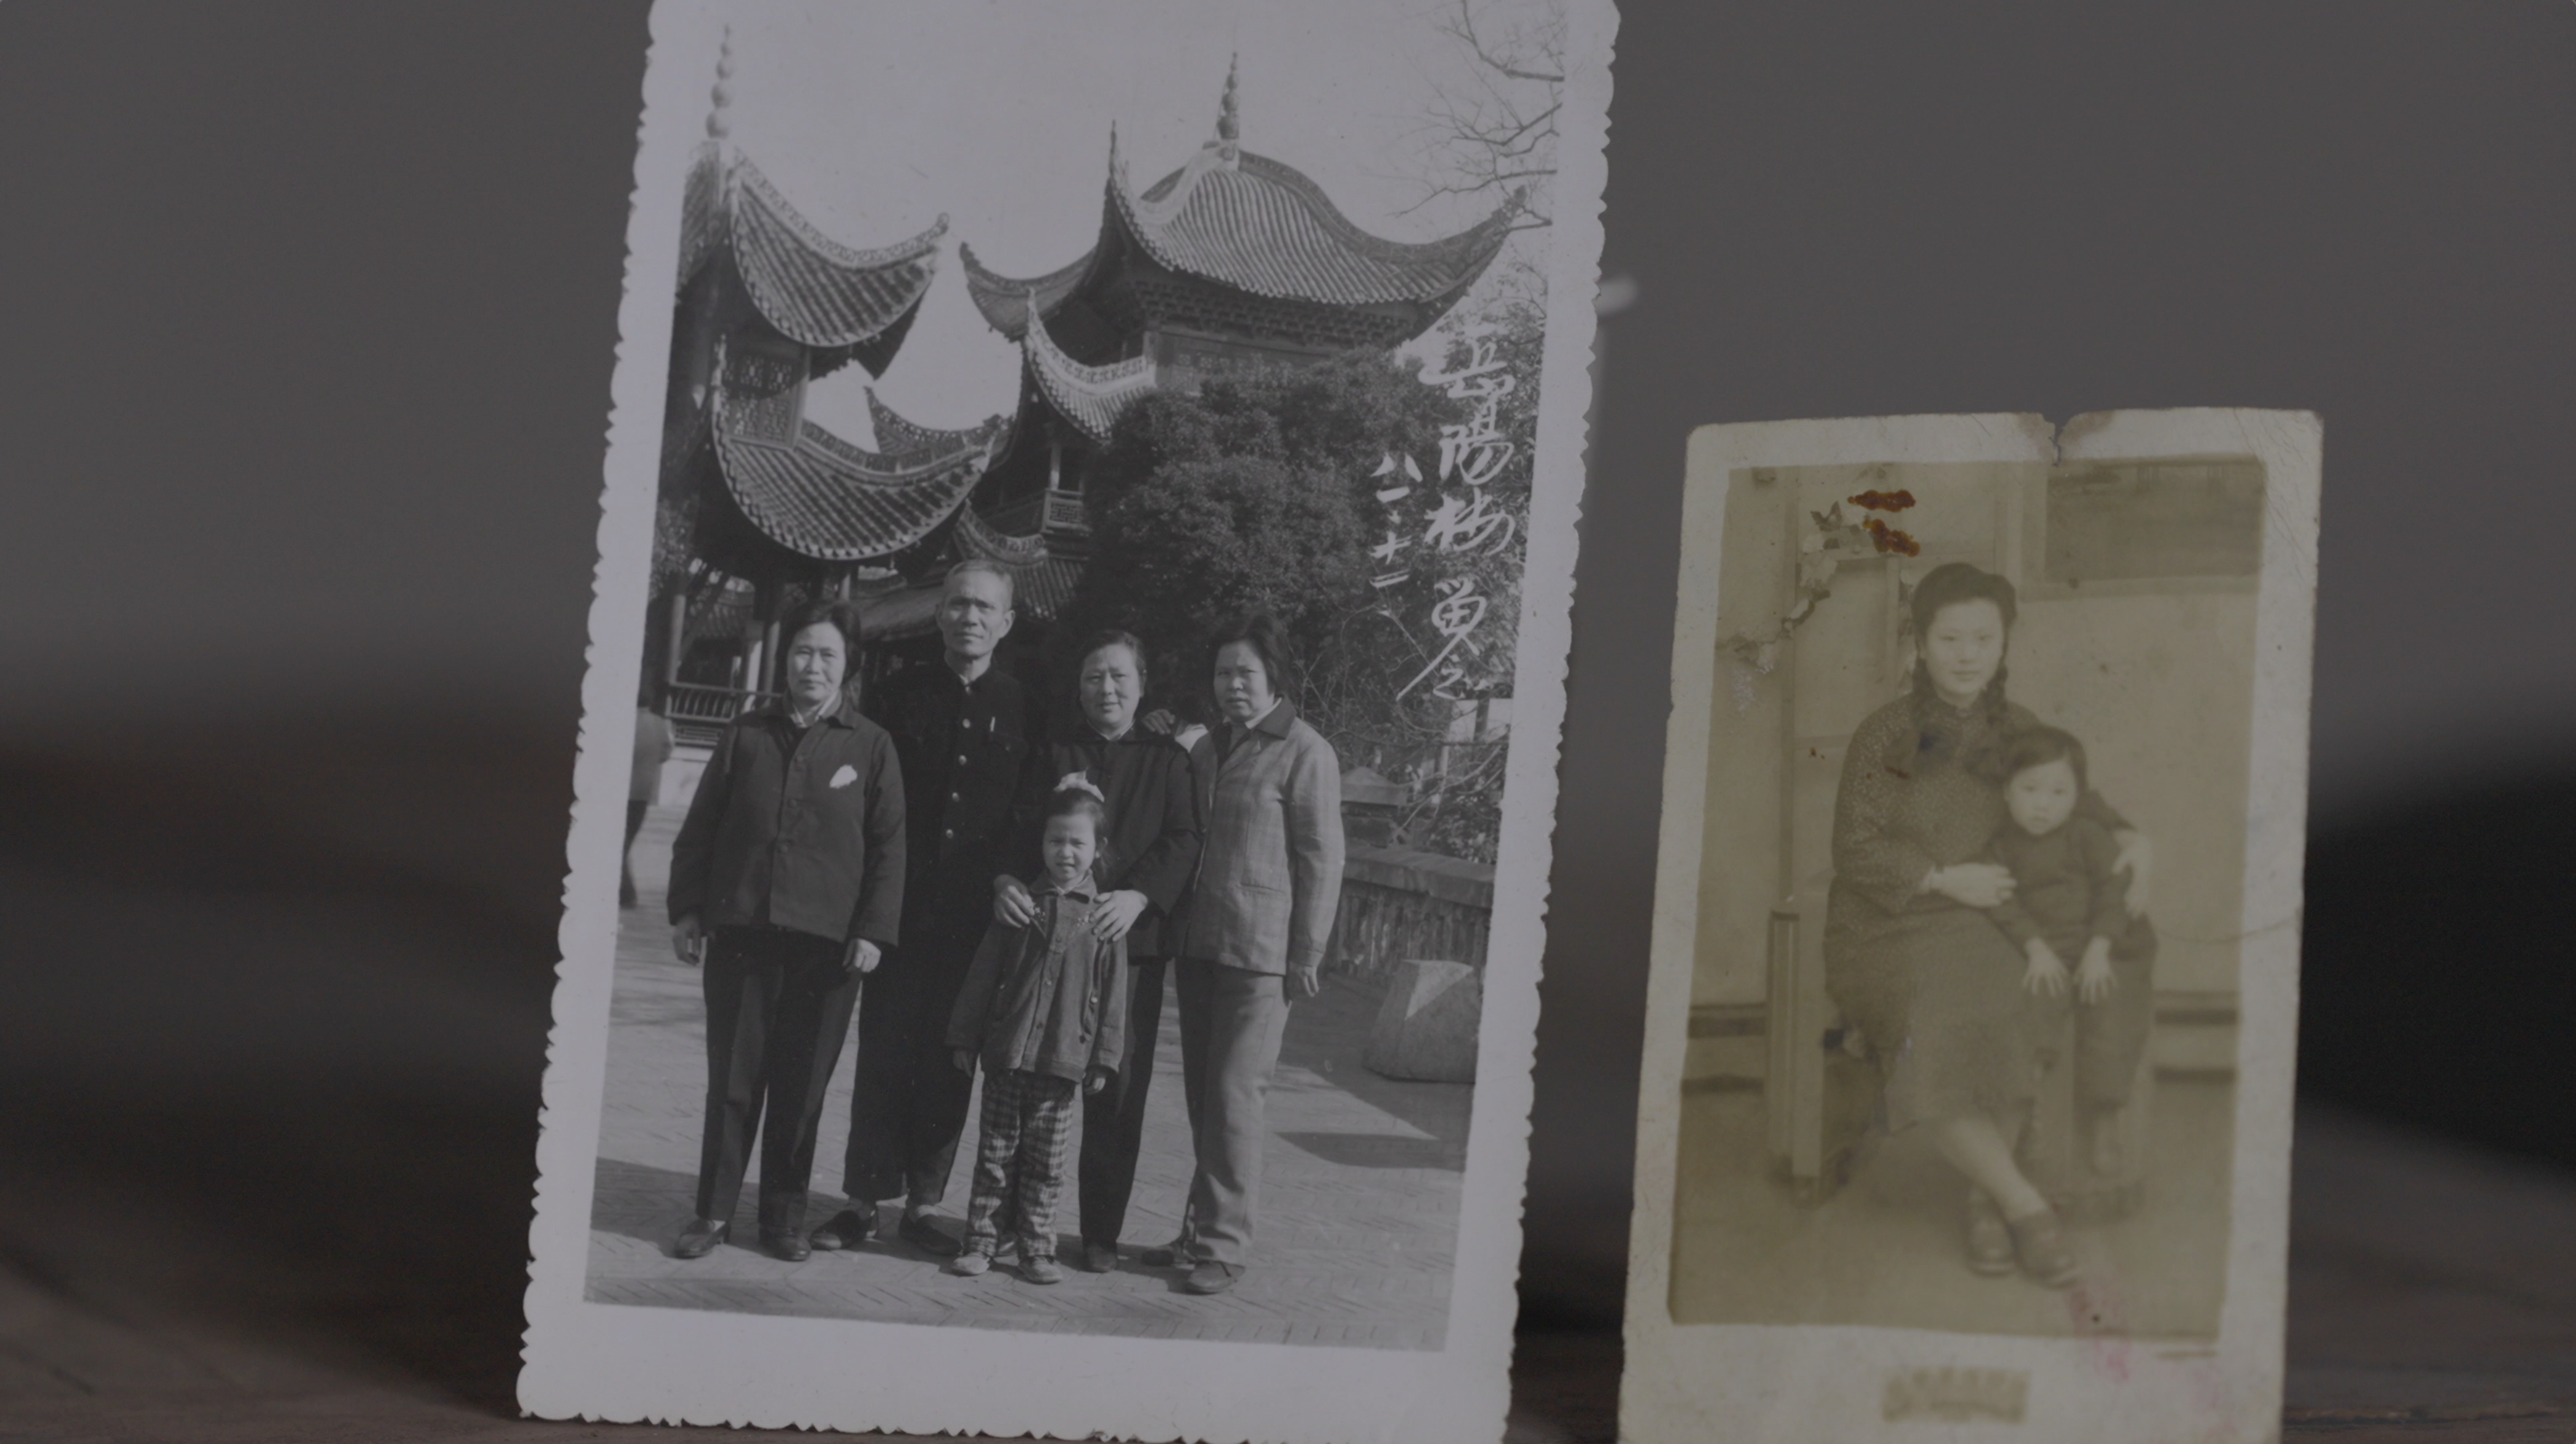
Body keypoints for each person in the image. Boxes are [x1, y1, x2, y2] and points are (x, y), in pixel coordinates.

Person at [1823, 562, 2149, 1289]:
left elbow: (2075, 802)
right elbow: (1855, 849)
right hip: (1888, 924)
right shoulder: (1884, 735)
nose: (1967, 654)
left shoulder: (2019, 727)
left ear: (2003, 643)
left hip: (1992, 920)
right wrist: (1943, 878)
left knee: (2018, 1002)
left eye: (1983, 638)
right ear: (1920, 643)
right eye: (1950, 638)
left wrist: (2135, 838)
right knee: (1937, 1024)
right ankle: (2027, 1208)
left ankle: (1982, 1200)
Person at [664, 599, 904, 1261]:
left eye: (827, 654)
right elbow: (700, 830)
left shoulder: (871, 745)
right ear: (785, 659)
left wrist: (872, 933)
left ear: (848, 664)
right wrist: (687, 910)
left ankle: (781, 1220)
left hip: (829, 949)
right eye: (802, 651)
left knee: (801, 1090)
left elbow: (890, 850)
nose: (812, 665)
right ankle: (712, 1214)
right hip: (743, 934)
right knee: (734, 1082)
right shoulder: (745, 735)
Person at [813, 561, 1039, 1258]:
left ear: (1006, 622)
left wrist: (1010, 875)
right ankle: (860, 1202)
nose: (969, 617)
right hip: (898, 913)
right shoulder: (896, 694)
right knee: (883, 1051)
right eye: (958, 604)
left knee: (950, 1059)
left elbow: (1033, 813)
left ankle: (922, 1204)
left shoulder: (1029, 706)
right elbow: (864, 803)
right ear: (938, 613)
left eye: (984, 608)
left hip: (980, 922)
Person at [1146, 614, 1345, 1297]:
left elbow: (1322, 855)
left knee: (1235, 1096)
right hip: (1200, 944)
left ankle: (1226, 1247)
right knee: (1205, 1098)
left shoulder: (1306, 751)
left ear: (1273, 679)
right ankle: (1200, 1230)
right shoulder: (1210, 747)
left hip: (1261, 954)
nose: (1233, 685)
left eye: (1246, 674)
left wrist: (1307, 950)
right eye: (1223, 673)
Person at [992, 630, 1201, 1274]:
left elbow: (1185, 838)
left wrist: (1138, 897)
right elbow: (1018, 827)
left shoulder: (1168, 759)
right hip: (1049, 942)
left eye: (1118, 677)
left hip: (1127, 945)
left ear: (1141, 685)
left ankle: (1101, 1232)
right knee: (1032, 1080)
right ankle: (1008, 1222)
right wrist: (1005, 879)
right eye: (1092, 678)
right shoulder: (1055, 750)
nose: (1105, 689)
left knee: (1116, 1088)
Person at [945, 781, 1131, 1284]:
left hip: (1062, 1062)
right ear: (1041, 843)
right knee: (995, 1155)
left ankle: (1035, 1249)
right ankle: (981, 1242)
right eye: (1055, 841)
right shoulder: (1020, 906)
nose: (1065, 853)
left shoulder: (1104, 920)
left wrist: (1103, 1057)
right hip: (1008, 1056)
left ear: (1098, 849)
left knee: (1047, 1164)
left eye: (1078, 843)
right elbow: (983, 975)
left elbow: (1114, 997)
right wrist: (965, 1037)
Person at [1981, 725, 2159, 1179]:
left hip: (2106, 941)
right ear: (2006, 790)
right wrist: (2036, 948)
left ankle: (2104, 1119)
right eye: (2030, 789)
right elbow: (2003, 901)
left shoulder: (2086, 833)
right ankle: (2030, 1116)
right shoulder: (2000, 843)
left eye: (2059, 792)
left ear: (2078, 794)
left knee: (2109, 1006)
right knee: (2031, 1006)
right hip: (2043, 947)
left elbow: (2113, 893)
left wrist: (2100, 949)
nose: (2043, 804)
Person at [625, 682, 675, 909]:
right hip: (643, 792)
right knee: (626, 841)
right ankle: (625, 892)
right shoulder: (660, 724)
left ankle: (626, 893)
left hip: (621, 791)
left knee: (619, 844)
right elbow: (665, 753)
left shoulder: (623, 721)